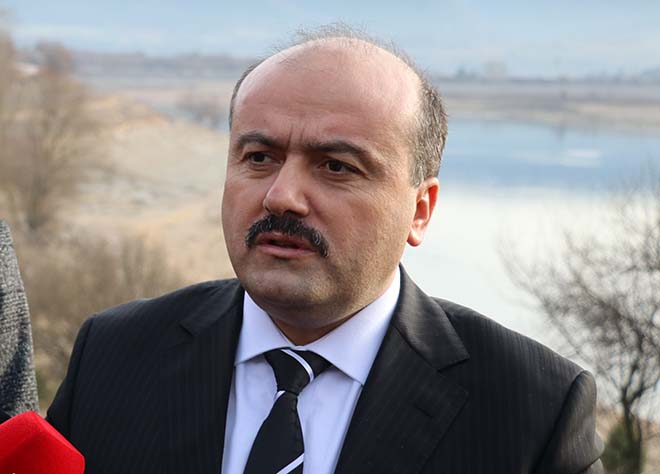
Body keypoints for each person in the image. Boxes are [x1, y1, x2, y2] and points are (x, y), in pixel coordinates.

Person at [47, 29, 604, 473]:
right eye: (259, 157)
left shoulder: (532, 410)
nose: (281, 196)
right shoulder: (115, 354)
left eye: (336, 166)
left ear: (420, 210)